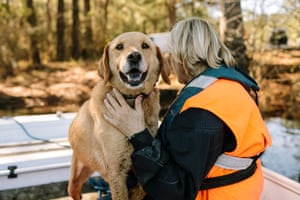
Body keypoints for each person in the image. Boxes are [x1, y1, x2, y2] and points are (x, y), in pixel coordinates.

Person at [103, 17, 272, 200]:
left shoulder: (201, 113)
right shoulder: (232, 86)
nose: (171, 63)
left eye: (172, 54)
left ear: (182, 56)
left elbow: (176, 191)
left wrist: (137, 133)